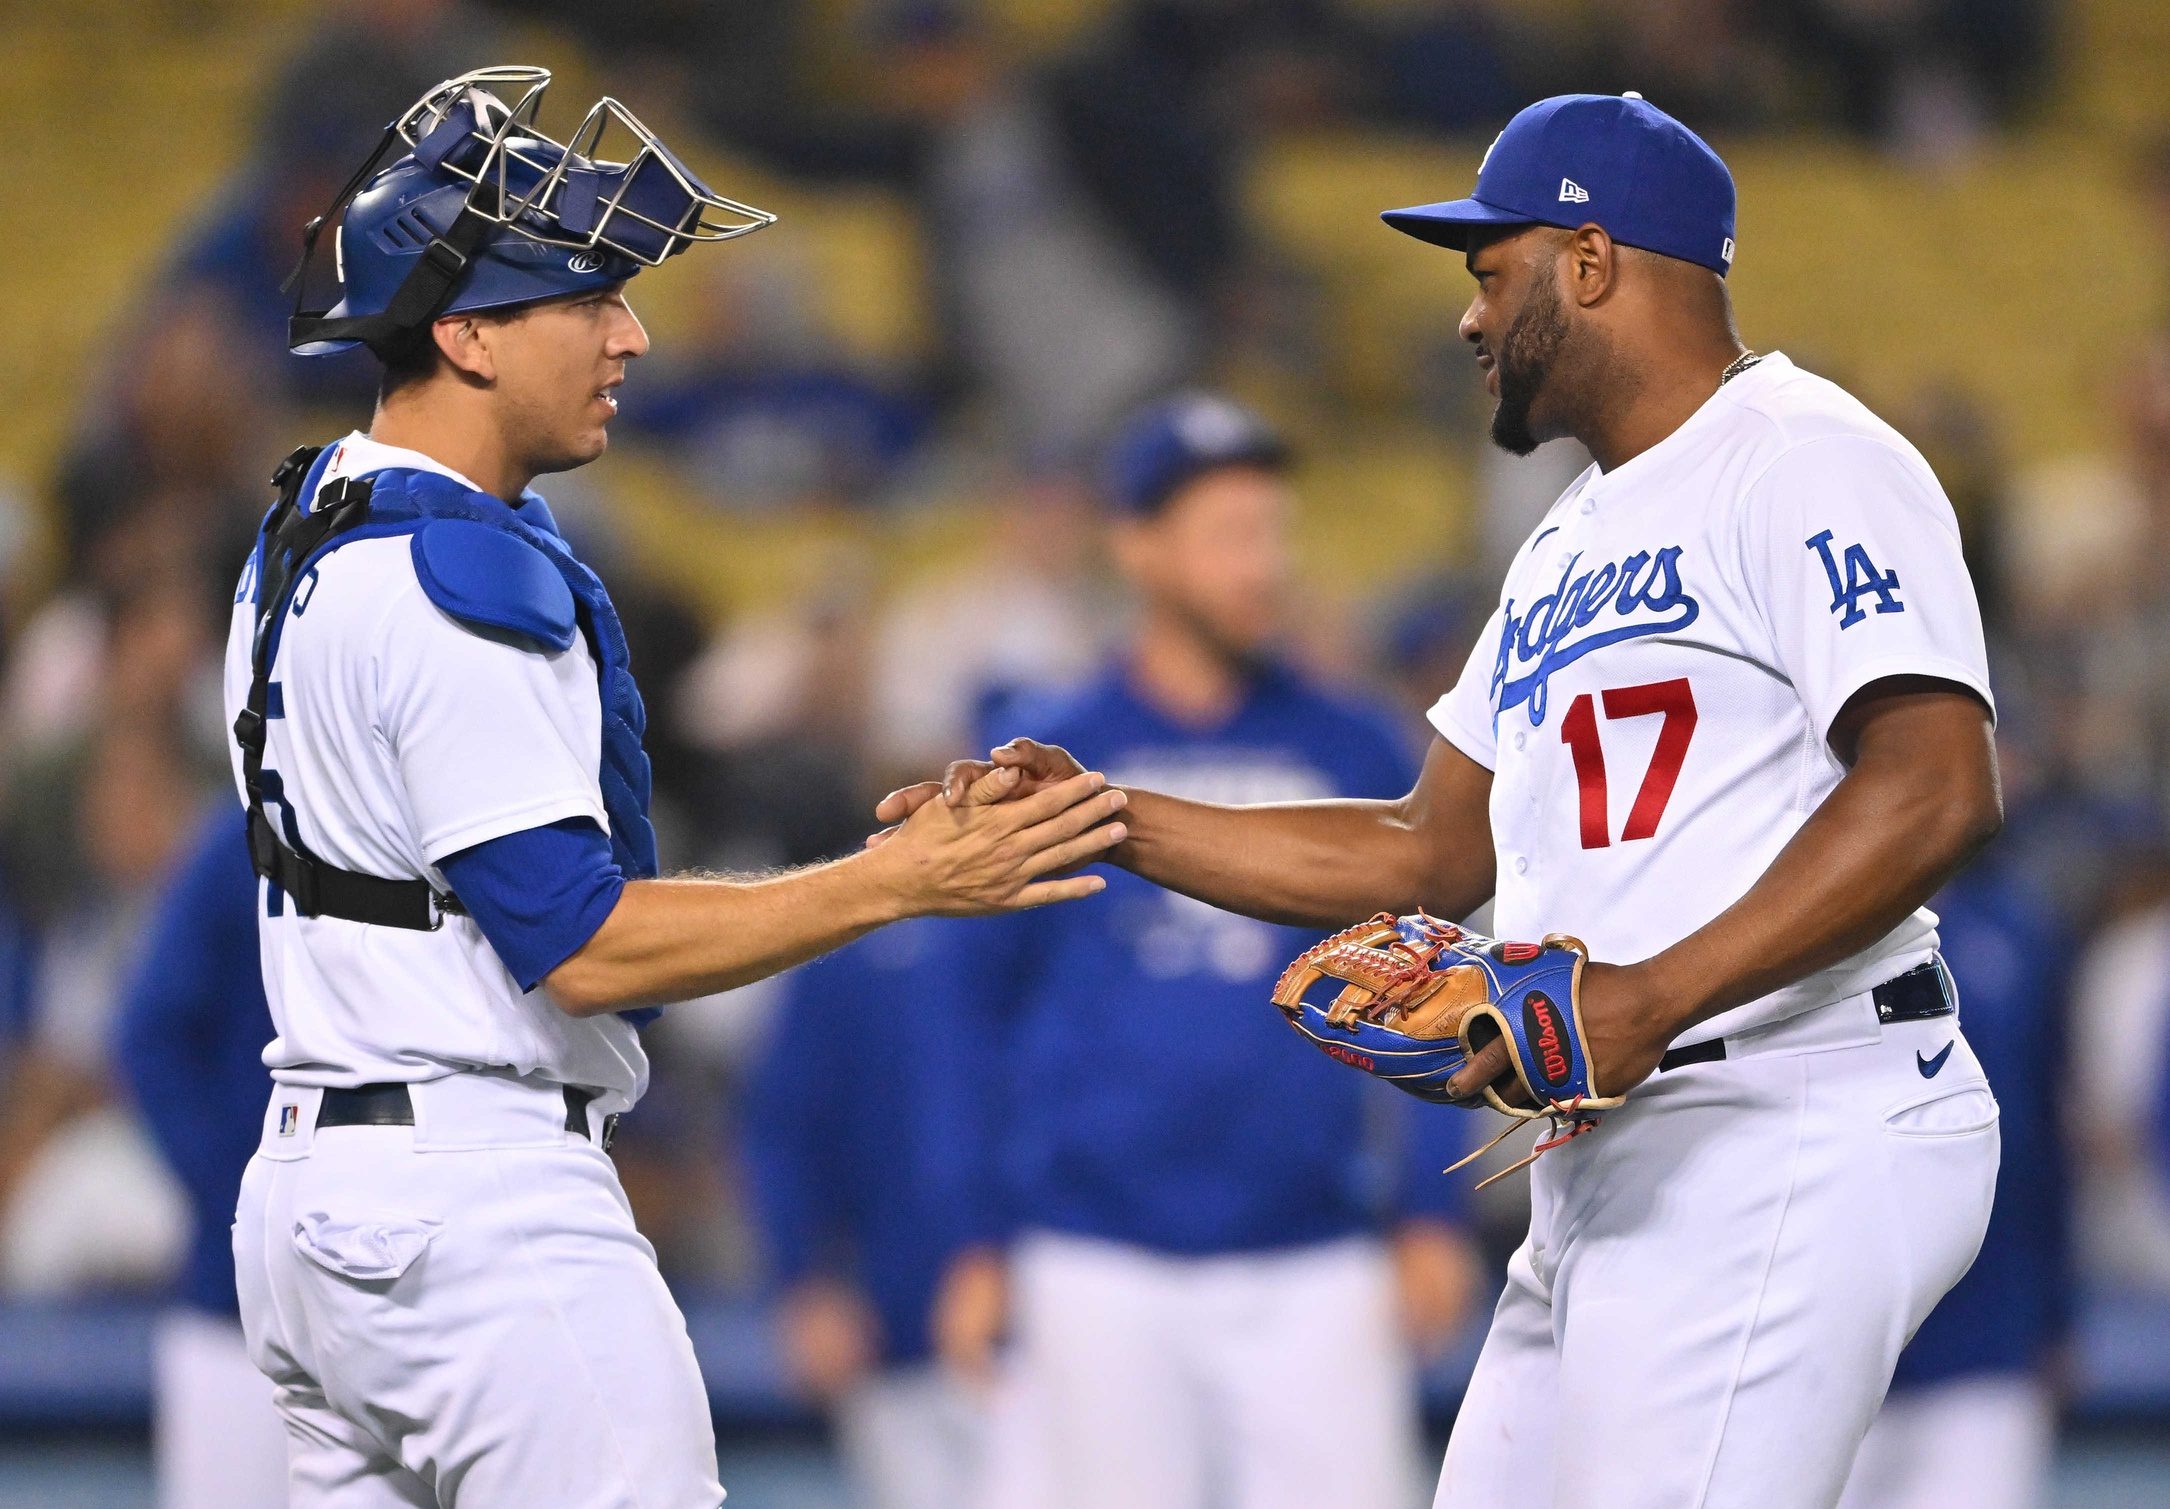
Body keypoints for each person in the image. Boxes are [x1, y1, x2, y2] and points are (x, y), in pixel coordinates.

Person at [880, 93, 2003, 1509]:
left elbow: (1936, 782)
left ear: (1589, 261)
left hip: (1792, 1107)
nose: (1471, 319)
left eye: (1491, 270)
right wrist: (1106, 814)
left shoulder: (1801, 452)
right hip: (1616, 1142)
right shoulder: (1565, 542)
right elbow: (1422, 846)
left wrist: (1650, 994)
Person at [226, 67, 1126, 1508]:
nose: (631, 335)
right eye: (585, 299)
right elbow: (581, 946)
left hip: (319, 1221)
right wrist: (892, 879)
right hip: (478, 1219)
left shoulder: (308, 525)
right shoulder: (460, 573)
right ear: (463, 334)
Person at [924, 393, 1483, 1509]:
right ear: (1136, 547)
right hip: (1093, 1250)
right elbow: (967, 1015)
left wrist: (1430, 1212)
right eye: (1228, 535)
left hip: (1315, 1245)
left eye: (1272, 532)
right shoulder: (1052, 752)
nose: (1262, 565)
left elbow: (1433, 992)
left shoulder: (1355, 741)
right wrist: (973, 1237)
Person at [1836, 841, 2071, 1509]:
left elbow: (2045, 1139)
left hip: (1984, 1339)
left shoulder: (2016, 933)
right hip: (1823, 1330)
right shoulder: (1775, 928)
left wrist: (2056, 1313)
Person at [740, 918, 992, 1509]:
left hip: (1063, 1304)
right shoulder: (857, 920)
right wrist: (805, 1281)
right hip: (894, 1319)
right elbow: (786, 1123)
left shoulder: (1076, 904)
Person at [114, 809, 286, 1509]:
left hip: (407, 1298)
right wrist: (240, 1199)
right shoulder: (244, 840)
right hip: (234, 1315)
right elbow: (148, 1034)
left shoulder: (452, 821)